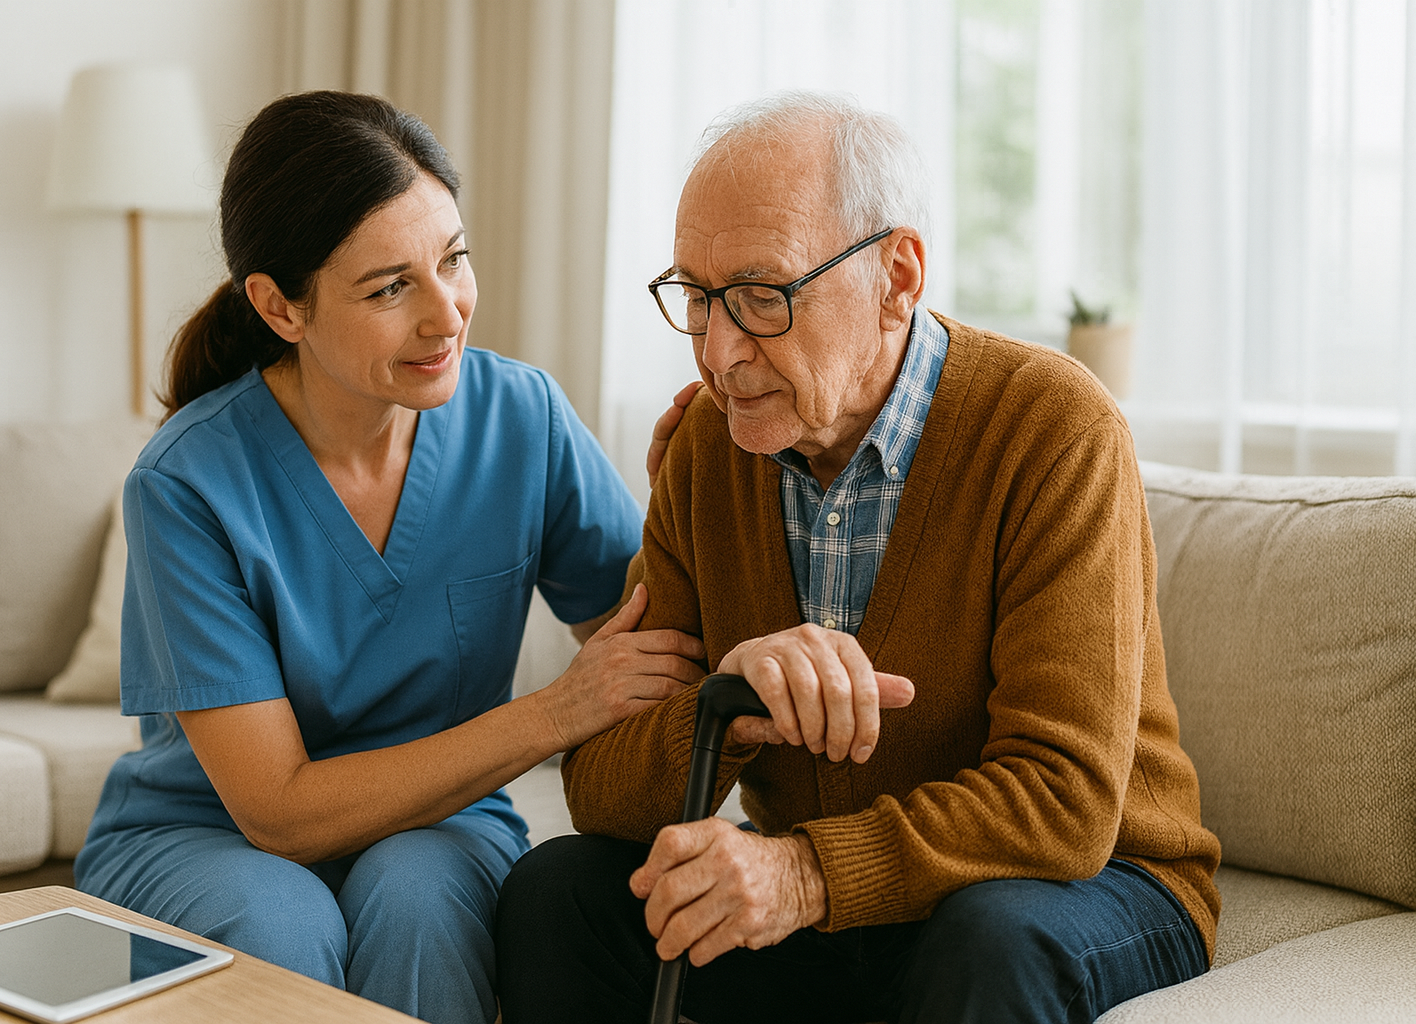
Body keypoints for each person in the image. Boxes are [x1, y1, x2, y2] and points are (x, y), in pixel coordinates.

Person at [495, 92, 1222, 1024]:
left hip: (1092, 885)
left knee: (986, 940)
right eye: (697, 298)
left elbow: (1064, 803)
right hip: (853, 903)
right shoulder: (706, 451)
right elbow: (600, 789)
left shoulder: (1053, 428)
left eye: (762, 297)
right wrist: (732, 703)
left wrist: (806, 875)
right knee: (560, 891)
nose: (719, 353)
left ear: (897, 276)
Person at [73, 91, 706, 1024]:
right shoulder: (186, 484)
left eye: (453, 259)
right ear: (279, 306)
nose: (447, 314)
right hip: (205, 833)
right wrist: (557, 711)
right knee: (278, 922)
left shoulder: (521, 420)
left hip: (443, 822)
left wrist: (701, 484)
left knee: (419, 903)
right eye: (389, 287)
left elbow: (663, 628)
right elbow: (278, 814)